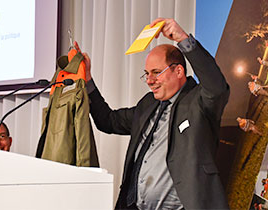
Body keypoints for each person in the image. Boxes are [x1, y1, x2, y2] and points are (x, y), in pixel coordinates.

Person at [82, 17, 230, 209]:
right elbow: (108, 121)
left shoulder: (199, 101)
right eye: (147, 73)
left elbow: (217, 87)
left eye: (156, 72)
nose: (150, 80)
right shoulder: (148, 104)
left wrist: (183, 39)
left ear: (178, 71)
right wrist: (87, 81)